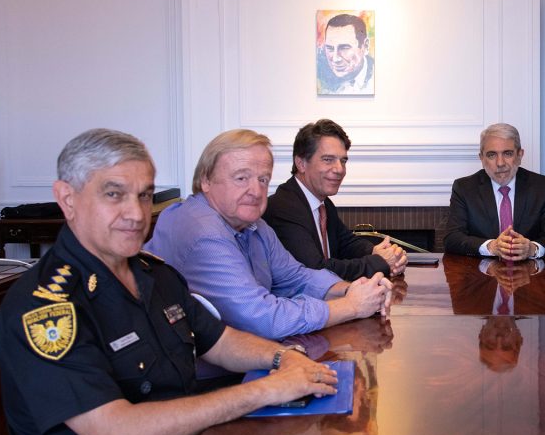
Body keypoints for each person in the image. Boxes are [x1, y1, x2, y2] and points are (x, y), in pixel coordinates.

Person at [0, 129, 340, 435]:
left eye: (144, 195)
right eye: (114, 194)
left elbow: (220, 341)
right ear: (67, 199)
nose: (135, 213)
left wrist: (282, 357)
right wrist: (264, 391)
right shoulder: (45, 308)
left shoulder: (155, 275)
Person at [146, 129, 391, 340]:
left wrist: (353, 290)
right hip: (193, 373)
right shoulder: (203, 231)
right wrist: (350, 306)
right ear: (206, 181)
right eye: (241, 178)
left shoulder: (254, 225)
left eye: (263, 179)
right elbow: (262, 318)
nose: (256, 191)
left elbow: (296, 277)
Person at [264, 119, 406, 281]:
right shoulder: (284, 207)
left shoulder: (323, 203)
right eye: (328, 159)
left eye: (343, 161)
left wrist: (377, 251)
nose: (340, 169)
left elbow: (346, 243)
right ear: (301, 163)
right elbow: (316, 270)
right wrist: (380, 262)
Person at [444, 123, 545, 259]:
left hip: (530, 268)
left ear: (520, 155)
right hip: (480, 270)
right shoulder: (464, 188)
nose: (500, 163)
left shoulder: (542, 187)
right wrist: (490, 247)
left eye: (507, 154)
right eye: (491, 155)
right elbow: (452, 238)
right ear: (482, 158)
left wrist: (532, 248)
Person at [317, 13, 374, 95]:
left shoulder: (377, 78)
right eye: (330, 48)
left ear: (365, 46)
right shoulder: (320, 79)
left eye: (344, 48)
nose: (335, 59)